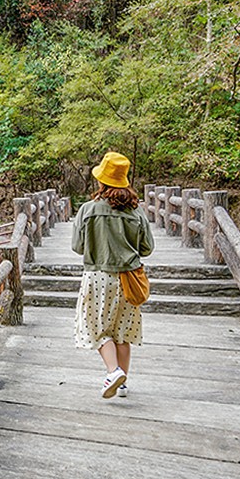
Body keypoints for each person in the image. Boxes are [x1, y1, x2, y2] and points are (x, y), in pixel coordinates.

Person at [71, 151, 154, 398]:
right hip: (128, 278)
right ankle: (123, 383)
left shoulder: (88, 209)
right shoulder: (136, 212)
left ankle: (113, 371)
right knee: (123, 331)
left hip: (98, 277)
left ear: (102, 181)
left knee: (97, 329)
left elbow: (77, 246)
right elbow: (147, 249)